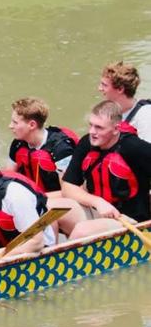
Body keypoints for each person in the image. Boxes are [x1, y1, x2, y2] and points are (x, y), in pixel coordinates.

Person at [62, 100, 151, 239]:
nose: (92, 132)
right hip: (97, 209)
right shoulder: (87, 143)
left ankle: (69, 258)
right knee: (51, 209)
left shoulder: (136, 148)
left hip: (128, 220)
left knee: (82, 230)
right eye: (90, 125)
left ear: (116, 129)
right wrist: (98, 202)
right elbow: (68, 186)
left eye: (99, 127)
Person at [7, 97, 79, 194]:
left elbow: (69, 193)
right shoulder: (18, 144)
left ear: (32, 125)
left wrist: (34, 198)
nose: (10, 126)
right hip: (33, 197)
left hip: (59, 203)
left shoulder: (61, 149)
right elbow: (7, 178)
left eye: (15, 122)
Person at [99, 61, 151, 142]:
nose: (100, 88)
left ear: (120, 89)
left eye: (104, 85)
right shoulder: (110, 113)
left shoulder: (146, 115)